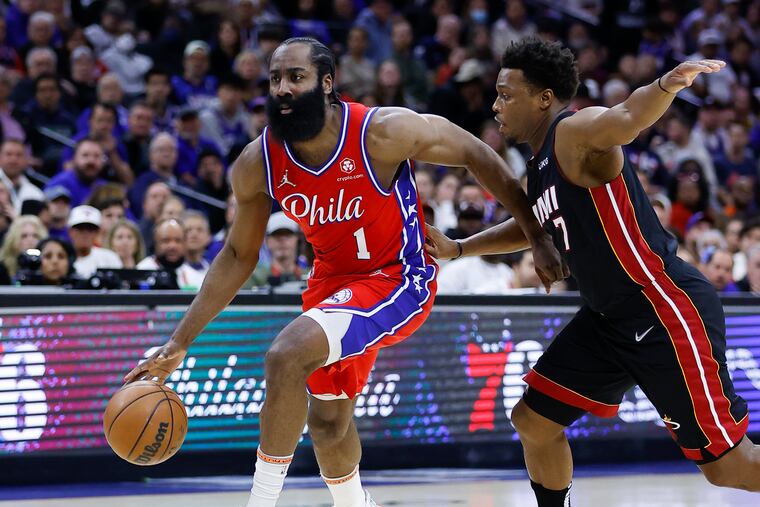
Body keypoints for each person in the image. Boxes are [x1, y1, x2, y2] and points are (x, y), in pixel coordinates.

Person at [124, 37, 564, 507]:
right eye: (275, 79)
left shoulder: (381, 132)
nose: (283, 88)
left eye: (296, 77)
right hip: (331, 286)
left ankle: (260, 502)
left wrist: (536, 235)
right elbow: (236, 255)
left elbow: (475, 152)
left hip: (399, 277)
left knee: (286, 355)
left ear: (326, 83)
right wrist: (179, 342)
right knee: (328, 424)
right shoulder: (259, 162)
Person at [424, 37, 760, 505]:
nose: (496, 106)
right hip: (608, 320)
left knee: (729, 467)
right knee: (534, 421)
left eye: (506, 95)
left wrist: (666, 85)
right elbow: (532, 225)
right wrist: (461, 248)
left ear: (544, 98)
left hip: (660, 307)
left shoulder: (574, 132)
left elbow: (626, 117)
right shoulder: (540, 168)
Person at [67, 205, 122, 277]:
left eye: (90, 229)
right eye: (80, 229)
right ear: (70, 232)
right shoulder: (61, 259)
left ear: (97, 232)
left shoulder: (109, 258)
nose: (85, 234)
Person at [0, 215, 47, 284]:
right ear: (13, 240)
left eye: (35, 236)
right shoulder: (2, 268)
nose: (30, 240)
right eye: (24, 236)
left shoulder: (49, 267)